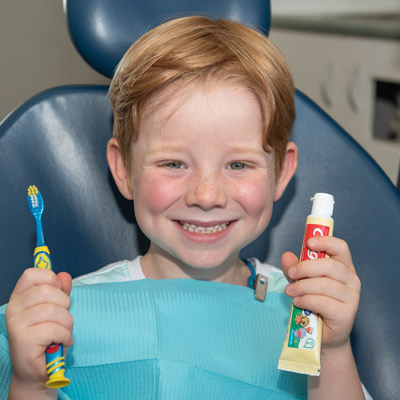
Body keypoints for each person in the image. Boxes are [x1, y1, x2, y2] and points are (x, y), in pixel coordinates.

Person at [2, 16, 368, 399]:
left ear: (281, 173)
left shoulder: (304, 312)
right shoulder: (64, 319)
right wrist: (30, 383)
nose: (206, 196)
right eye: (174, 164)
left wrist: (332, 350)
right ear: (124, 169)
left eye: (238, 165)